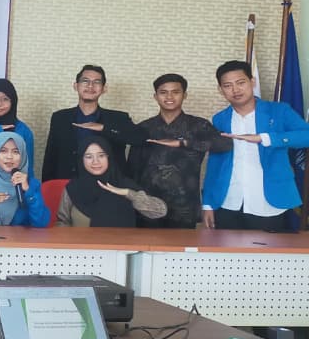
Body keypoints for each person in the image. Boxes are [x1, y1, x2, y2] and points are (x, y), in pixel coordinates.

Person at [201, 60, 309, 232]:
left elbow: (306, 135)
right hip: (228, 201)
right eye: (228, 85)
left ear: (252, 82)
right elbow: (215, 163)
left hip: (269, 202)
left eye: (241, 82)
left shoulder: (279, 111)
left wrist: (266, 138)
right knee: (226, 250)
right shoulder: (219, 119)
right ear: (220, 90)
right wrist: (207, 203)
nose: (235, 90)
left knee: (268, 250)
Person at [127, 74, 233, 228]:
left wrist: (184, 143)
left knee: (182, 244)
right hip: (148, 207)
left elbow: (225, 144)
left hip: (184, 208)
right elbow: (132, 169)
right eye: (163, 92)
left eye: (175, 92)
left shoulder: (199, 125)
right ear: (155, 96)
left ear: (185, 95)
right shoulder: (144, 128)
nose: (169, 97)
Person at [41, 65, 142, 181]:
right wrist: (46, 187)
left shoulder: (118, 118)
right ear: (75, 86)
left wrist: (104, 128)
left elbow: (140, 138)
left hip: (107, 186)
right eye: (85, 81)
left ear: (104, 89)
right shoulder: (60, 117)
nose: (90, 86)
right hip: (68, 184)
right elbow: (50, 156)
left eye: (96, 82)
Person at [56, 137, 167, 227]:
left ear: (109, 157)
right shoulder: (73, 187)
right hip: (80, 247)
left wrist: (127, 193)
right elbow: (62, 222)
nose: (95, 161)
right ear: (81, 160)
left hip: (121, 246)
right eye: (89, 157)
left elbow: (160, 211)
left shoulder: (125, 184)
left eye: (101, 155)